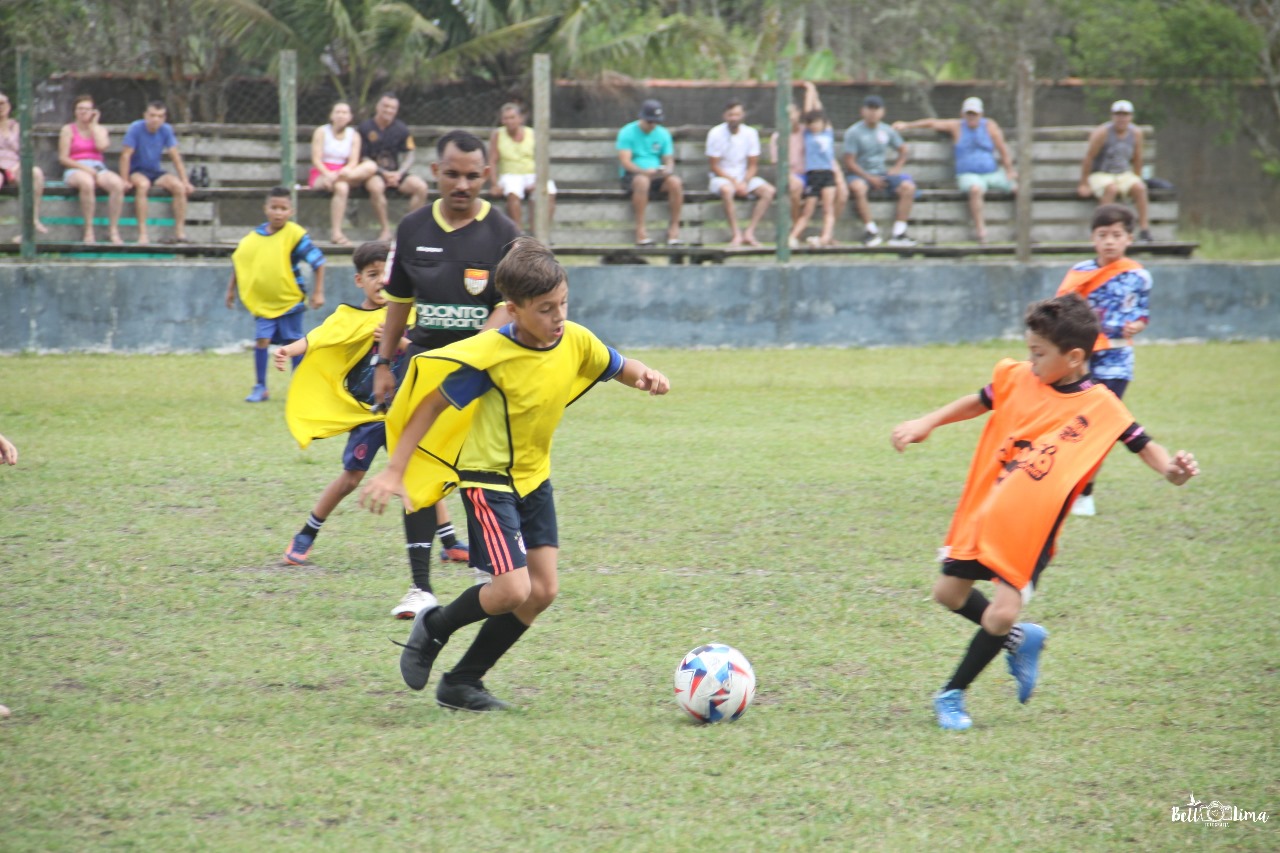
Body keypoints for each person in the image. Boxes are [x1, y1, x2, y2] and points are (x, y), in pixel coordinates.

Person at [360, 237, 671, 711]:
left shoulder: (574, 339)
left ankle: (462, 683)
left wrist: (646, 375)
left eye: (563, 302)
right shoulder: (492, 359)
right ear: (513, 310)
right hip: (488, 481)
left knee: (542, 591)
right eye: (546, 309)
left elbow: (616, 364)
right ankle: (435, 625)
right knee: (512, 589)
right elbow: (430, 406)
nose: (559, 316)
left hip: (533, 479)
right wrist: (395, 469)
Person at [891, 293, 1198, 731]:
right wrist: (927, 422)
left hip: (1031, 527)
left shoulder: (1102, 406)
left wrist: (1172, 470)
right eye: (1029, 350)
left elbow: (1144, 446)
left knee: (1000, 612)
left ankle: (952, 693)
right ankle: (1020, 641)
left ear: (1074, 357)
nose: (1030, 361)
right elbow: (980, 400)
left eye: (1039, 353)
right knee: (948, 594)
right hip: (987, 509)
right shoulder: (1019, 378)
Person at [370, 129, 522, 620]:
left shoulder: (503, 234)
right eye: (452, 174)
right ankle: (420, 589)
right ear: (435, 172)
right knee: (416, 470)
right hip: (422, 370)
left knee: (478, 472)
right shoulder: (413, 229)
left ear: (486, 176)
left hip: (482, 376)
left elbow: (509, 306)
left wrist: (477, 353)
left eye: (472, 176)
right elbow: (397, 303)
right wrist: (384, 364)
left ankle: (485, 569)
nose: (462, 184)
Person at [273, 241, 412, 563]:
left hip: (404, 413)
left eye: (386, 274)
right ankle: (307, 532)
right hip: (367, 413)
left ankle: (448, 541)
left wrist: (398, 338)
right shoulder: (349, 317)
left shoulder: (408, 312)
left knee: (418, 474)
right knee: (351, 477)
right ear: (359, 280)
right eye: (372, 274)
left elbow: (423, 348)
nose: (381, 281)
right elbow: (318, 337)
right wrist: (287, 350)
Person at [1055, 204, 1152, 517]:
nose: (1110, 241)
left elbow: (1142, 313)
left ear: (1129, 238)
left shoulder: (1138, 276)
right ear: (1092, 238)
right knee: (1069, 422)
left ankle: (1084, 493)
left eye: (1117, 235)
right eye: (1103, 235)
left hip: (1116, 361)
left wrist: (1137, 325)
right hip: (1079, 359)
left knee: (1100, 427)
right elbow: (1063, 308)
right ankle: (1059, 482)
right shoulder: (1080, 272)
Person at [225, 187, 326, 403]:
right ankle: (260, 386)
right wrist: (230, 290)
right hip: (264, 304)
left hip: (290, 301)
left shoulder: (295, 235)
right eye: (274, 207)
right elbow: (239, 262)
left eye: (283, 208)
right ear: (266, 209)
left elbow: (318, 262)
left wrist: (318, 292)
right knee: (261, 339)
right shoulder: (254, 238)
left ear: (291, 211)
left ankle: (298, 385)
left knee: (293, 341)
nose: (278, 212)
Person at [893, 97, 1017, 244]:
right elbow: (932, 123)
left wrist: (1009, 170)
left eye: (975, 114)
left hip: (992, 173)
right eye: (969, 113)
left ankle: (1023, 230)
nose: (972, 117)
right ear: (963, 114)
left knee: (1019, 189)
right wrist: (907, 125)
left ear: (981, 114)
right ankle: (981, 232)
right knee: (975, 189)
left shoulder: (990, 126)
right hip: (969, 175)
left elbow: (1003, 150)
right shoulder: (956, 126)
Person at [350, 93, 429, 241]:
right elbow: (362, 156)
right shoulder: (365, 128)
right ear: (378, 107)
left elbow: (410, 153)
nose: (388, 110)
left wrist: (400, 173)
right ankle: (385, 230)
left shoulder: (401, 129)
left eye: (393, 108)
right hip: (374, 173)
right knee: (376, 187)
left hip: (397, 174)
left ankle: (406, 230)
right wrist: (384, 173)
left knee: (421, 187)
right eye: (385, 106)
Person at [843, 95, 918, 247]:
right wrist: (869, 178)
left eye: (876, 109)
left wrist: (896, 169)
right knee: (858, 188)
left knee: (908, 187)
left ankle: (899, 233)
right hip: (860, 174)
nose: (873, 113)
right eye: (869, 109)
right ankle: (871, 231)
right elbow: (849, 162)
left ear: (882, 112)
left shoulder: (887, 130)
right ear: (862, 111)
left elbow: (903, 150)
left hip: (882, 174)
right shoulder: (854, 132)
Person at [120, 101, 194, 244]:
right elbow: (125, 156)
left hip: (155, 171)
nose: (155, 119)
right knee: (143, 185)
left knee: (178, 187)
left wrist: (185, 181)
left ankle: (180, 233)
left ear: (164, 118)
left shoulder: (166, 130)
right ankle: (143, 234)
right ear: (145, 115)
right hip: (137, 171)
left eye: (160, 116)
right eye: (152, 115)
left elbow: (175, 156)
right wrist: (124, 179)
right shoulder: (135, 128)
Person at [1078, 100, 1153, 242]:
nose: (1121, 119)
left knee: (1140, 188)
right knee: (1111, 189)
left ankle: (1144, 229)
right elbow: (1089, 158)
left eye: (1125, 115)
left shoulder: (1136, 133)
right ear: (1112, 116)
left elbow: (1137, 158)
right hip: (1101, 173)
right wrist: (1084, 183)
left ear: (1131, 117)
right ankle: (1104, 229)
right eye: (1118, 115)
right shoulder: (1102, 133)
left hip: (1123, 173)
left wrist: (1138, 177)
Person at [706, 99, 775, 248]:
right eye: (731, 115)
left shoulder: (750, 133)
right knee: (727, 190)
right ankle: (736, 233)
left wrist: (744, 182)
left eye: (737, 114)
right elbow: (714, 166)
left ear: (743, 115)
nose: (734, 118)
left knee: (768, 191)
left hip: (743, 177)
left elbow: (753, 164)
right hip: (721, 178)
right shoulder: (715, 133)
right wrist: (734, 182)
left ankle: (750, 232)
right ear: (725, 116)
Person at [616, 99, 684, 246]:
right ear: (642, 118)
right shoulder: (627, 132)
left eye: (656, 122)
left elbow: (668, 159)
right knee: (642, 181)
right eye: (649, 121)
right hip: (634, 175)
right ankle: (641, 231)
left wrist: (666, 170)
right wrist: (644, 171)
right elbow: (625, 162)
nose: (653, 125)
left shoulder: (663, 134)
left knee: (675, 182)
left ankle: (674, 229)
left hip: (657, 176)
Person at [488, 102, 556, 234]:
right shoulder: (498, 134)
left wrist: (538, 180)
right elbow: (492, 160)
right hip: (510, 174)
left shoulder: (533, 134)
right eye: (506, 118)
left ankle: (540, 232)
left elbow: (542, 159)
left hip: (532, 173)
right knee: (513, 191)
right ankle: (518, 233)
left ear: (520, 119)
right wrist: (494, 184)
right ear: (502, 120)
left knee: (549, 190)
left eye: (512, 117)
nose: (509, 121)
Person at [308, 101, 363, 245]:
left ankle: (336, 233)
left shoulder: (354, 135)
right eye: (337, 112)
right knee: (340, 186)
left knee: (342, 187)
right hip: (321, 173)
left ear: (350, 117)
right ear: (331, 115)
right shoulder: (321, 132)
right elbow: (316, 159)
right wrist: (328, 174)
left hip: (342, 174)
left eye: (344, 112)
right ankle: (337, 233)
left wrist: (338, 175)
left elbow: (353, 162)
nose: (341, 115)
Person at [788, 109, 842, 248]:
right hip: (813, 175)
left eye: (817, 122)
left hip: (827, 174)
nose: (814, 125)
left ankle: (825, 237)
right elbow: (807, 112)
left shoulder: (828, 133)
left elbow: (819, 109)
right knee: (807, 210)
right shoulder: (806, 135)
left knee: (828, 209)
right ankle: (793, 236)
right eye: (811, 123)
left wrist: (811, 89)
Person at [0, 91, 48, 237]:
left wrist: (16, 166)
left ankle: (32, 220)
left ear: (9, 106)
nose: (0, 107)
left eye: (2, 103)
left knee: (36, 173)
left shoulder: (18, 127)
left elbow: (26, 151)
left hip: (15, 166)